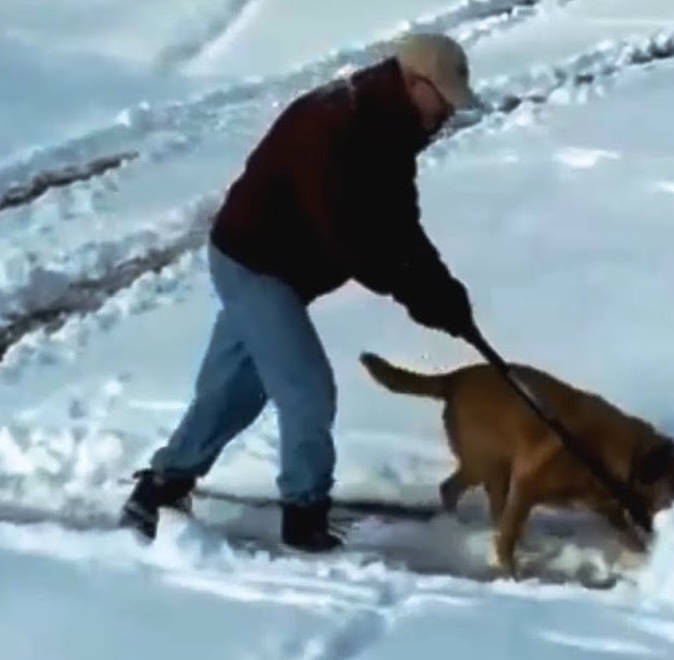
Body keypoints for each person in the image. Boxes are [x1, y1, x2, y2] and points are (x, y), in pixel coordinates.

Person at [118, 32, 487, 553]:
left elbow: (398, 222)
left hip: (287, 272)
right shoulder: (330, 123)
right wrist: (412, 292)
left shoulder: (394, 129)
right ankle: (304, 515)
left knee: (232, 393)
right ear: (412, 81)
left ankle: (159, 489)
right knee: (307, 391)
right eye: (443, 98)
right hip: (255, 263)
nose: (448, 112)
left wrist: (442, 289)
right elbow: (346, 235)